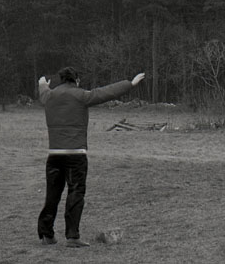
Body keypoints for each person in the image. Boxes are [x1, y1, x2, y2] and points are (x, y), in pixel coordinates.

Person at [37, 66, 145, 247]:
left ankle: (46, 234)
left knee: (52, 195)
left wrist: (42, 82)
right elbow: (106, 92)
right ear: (76, 80)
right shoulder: (81, 95)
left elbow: (43, 90)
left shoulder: (49, 96)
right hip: (75, 155)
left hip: (54, 155)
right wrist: (130, 84)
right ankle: (72, 236)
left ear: (62, 80)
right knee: (75, 193)